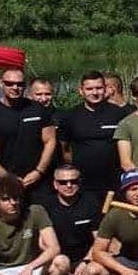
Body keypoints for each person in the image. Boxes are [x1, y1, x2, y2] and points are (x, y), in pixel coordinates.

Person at [30, 164, 102, 275]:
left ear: (79, 183)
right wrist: (63, 267)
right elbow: (41, 242)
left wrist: (85, 261)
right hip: (56, 260)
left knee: (93, 272)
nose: (69, 185)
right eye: (63, 182)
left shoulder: (91, 202)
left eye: (73, 181)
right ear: (55, 184)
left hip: (83, 259)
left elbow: (99, 239)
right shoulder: (44, 206)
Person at [0, 68, 58, 191]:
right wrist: (5, 176)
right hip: (5, 180)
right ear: (1, 84)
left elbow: (50, 141)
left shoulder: (39, 109)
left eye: (20, 84)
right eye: (9, 83)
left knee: (39, 210)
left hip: (39, 180)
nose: (15, 87)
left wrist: (39, 171)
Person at [56, 71, 128, 199]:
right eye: (89, 89)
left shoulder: (119, 114)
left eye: (99, 88)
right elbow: (64, 149)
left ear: (105, 89)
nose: (94, 93)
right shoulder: (70, 116)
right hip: (83, 183)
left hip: (114, 181)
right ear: (81, 91)